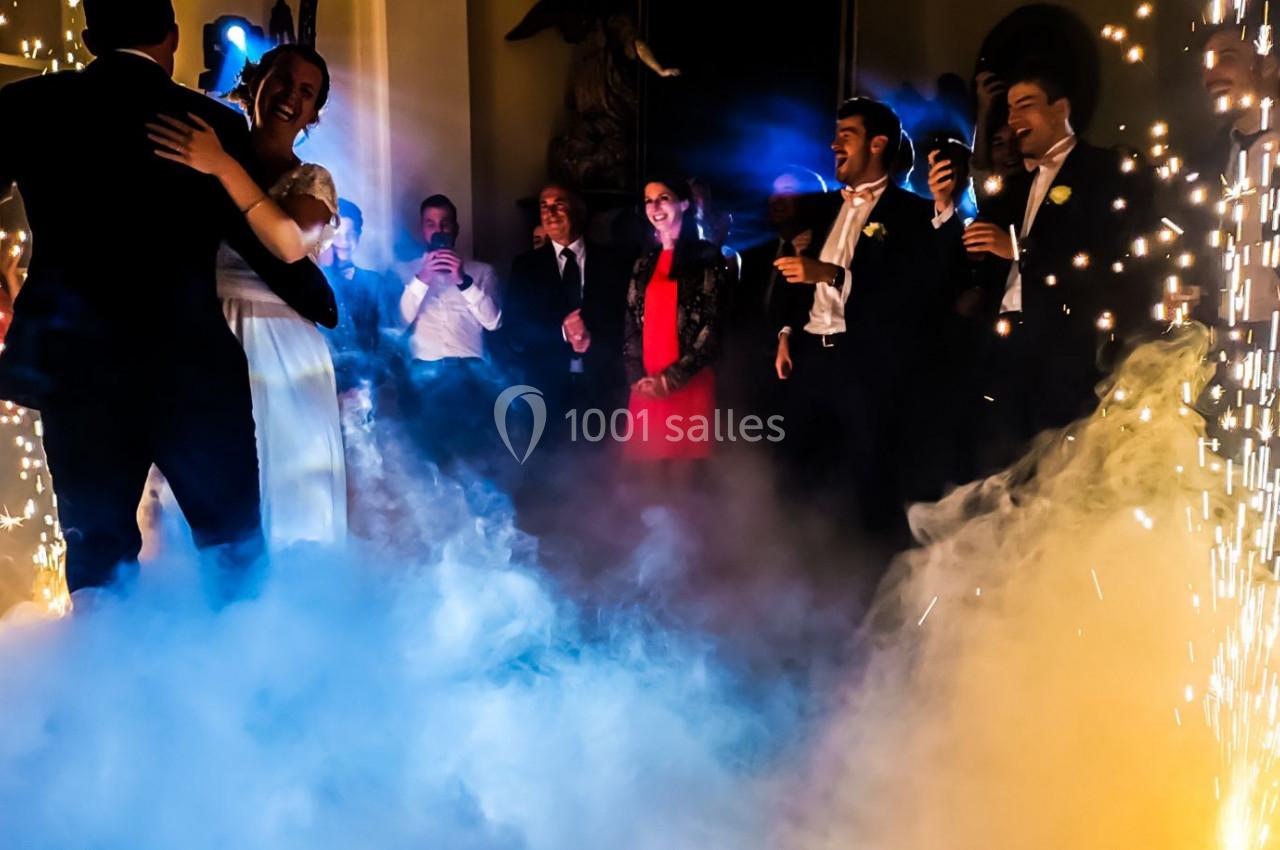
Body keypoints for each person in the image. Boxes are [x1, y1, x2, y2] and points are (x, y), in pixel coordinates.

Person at [0, 0, 336, 594]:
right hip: (192, 370)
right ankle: (250, 675)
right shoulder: (212, 127)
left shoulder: (27, 106)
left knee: (97, 551)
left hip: (77, 370)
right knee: (230, 547)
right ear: (173, 39)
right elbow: (265, 245)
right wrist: (317, 298)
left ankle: (108, 675)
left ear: (87, 36)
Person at [147, 43, 347, 550]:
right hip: (200, 331)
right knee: (196, 491)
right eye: (282, 79)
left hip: (278, 345)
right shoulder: (198, 152)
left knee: (281, 489)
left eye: (306, 92)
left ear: (314, 113)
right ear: (257, 80)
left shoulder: (311, 180)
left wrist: (221, 166)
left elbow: (287, 243)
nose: (289, 96)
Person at [771, 97, 952, 536]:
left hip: (865, 366)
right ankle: (795, 576)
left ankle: (865, 578)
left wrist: (831, 274)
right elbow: (791, 283)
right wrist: (785, 333)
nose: (834, 144)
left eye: (846, 135)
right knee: (798, 480)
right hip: (809, 360)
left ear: (877, 144)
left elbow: (910, 293)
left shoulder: (910, 214)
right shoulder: (819, 208)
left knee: (866, 483)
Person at [960, 64, 1153, 473]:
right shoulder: (1015, 185)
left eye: (1024, 105)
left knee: (1060, 470)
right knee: (1001, 466)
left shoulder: (1102, 170)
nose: (1012, 119)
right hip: (1007, 348)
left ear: (1059, 109)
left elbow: (1104, 253)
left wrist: (1017, 248)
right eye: (1009, 109)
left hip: (1068, 348)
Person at [500, 183, 629, 432]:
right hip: (545, 390)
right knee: (549, 467)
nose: (550, 213)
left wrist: (593, 335)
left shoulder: (614, 261)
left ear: (579, 211)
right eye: (544, 207)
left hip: (602, 388)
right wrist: (561, 332)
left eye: (559, 205)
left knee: (601, 466)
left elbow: (625, 320)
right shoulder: (525, 266)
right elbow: (514, 329)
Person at [622, 176, 727, 475]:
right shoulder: (643, 264)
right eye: (648, 200)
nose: (654, 206)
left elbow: (712, 328)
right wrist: (637, 378)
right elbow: (630, 325)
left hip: (687, 383)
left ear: (683, 203)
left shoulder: (707, 257)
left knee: (685, 482)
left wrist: (670, 380)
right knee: (646, 481)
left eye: (663, 198)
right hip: (646, 385)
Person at [393, 194, 503, 470]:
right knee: (429, 458)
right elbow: (397, 323)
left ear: (455, 228)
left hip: (471, 374)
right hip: (424, 374)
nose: (438, 230)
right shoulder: (403, 272)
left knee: (474, 455)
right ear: (422, 229)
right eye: (431, 224)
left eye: (445, 224)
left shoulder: (481, 272)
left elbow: (494, 322)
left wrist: (462, 281)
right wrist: (423, 279)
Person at [726, 166, 828, 424]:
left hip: (807, 377)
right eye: (774, 193)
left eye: (788, 191)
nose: (777, 199)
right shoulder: (758, 253)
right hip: (757, 378)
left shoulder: (827, 250)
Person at [319, 198, 393, 394]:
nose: (344, 242)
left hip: (367, 383)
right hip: (323, 382)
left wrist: (372, 377)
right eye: (338, 235)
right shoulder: (315, 280)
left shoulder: (374, 282)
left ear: (359, 237)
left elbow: (387, 332)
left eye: (351, 234)